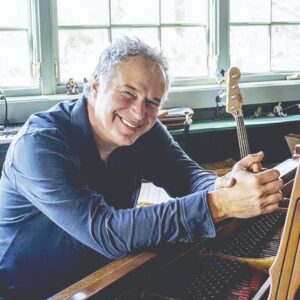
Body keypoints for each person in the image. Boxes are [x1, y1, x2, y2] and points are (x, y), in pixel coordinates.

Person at [0, 37, 283, 299]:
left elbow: (187, 175)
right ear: (96, 86)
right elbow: (105, 230)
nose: (139, 113)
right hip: (32, 290)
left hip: (109, 274)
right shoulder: (38, 145)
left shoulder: (145, 129)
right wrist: (219, 204)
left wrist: (225, 185)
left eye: (152, 102)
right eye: (128, 93)